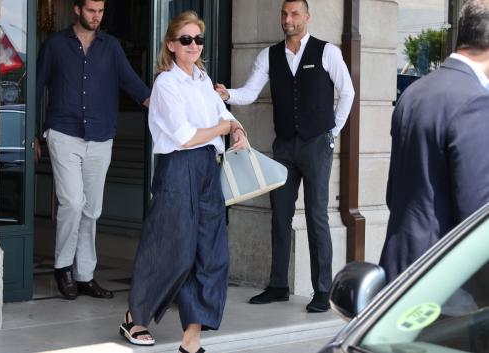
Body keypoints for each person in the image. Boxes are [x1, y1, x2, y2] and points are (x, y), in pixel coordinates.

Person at [119, 11, 249, 353]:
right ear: (171, 45)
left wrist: (236, 127)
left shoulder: (202, 79)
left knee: (210, 251)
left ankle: (192, 337)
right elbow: (184, 136)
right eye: (186, 40)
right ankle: (136, 316)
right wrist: (223, 128)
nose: (194, 45)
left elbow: (223, 115)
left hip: (208, 167)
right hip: (178, 168)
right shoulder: (166, 83)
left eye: (198, 39)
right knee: (170, 248)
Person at [215, 0, 354, 312]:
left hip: (317, 144)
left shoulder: (327, 51)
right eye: (284, 13)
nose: (287, 19)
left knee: (317, 216)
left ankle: (322, 290)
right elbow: (250, 93)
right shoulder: (269, 55)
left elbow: (348, 93)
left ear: (306, 17)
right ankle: (278, 285)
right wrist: (227, 94)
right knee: (279, 216)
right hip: (284, 146)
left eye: (293, 14)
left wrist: (333, 130)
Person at [35, 0, 150, 300]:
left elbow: (133, 84)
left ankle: (85, 275)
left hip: (100, 135)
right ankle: (63, 267)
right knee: (72, 202)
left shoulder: (111, 47)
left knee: (92, 209)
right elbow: (36, 87)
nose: (96, 16)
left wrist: (166, 106)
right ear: (76, 9)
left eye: (100, 11)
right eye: (90, 10)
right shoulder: (55, 45)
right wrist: (32, 134)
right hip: (63, 131)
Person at [380, 0, 489, 283]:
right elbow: (477, 215)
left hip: (398, 268)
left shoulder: (414, 92)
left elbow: (394, 194)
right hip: (443, 282)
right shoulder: (476, 101)